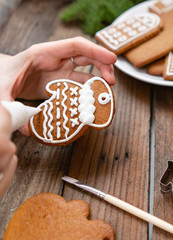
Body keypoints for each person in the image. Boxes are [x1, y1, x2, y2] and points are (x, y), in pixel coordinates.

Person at [0, 37, 117, 198]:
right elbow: (56, 87)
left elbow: (56, 87)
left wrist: (4, 68)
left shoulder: (82, 113)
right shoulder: (79, 96)